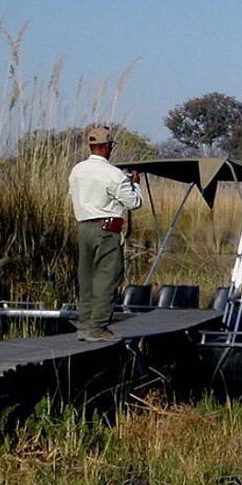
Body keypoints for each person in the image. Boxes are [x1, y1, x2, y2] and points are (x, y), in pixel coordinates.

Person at [69, 126, 144, 342]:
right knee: (107, 279)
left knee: (87, 279)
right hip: (106, 229)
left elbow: (74, 194)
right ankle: (98, 327)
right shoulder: (112, 174)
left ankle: (84, 324)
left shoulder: (77, 170)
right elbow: (134, 203)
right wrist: (135, 186)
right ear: (107, 146)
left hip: (84, 227)